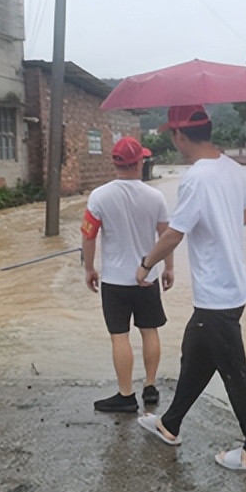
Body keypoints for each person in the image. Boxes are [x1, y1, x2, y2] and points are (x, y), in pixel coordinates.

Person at [135, 105, 246, 472]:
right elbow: (244, 216)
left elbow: (174, 234)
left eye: (172, 135)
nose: (173, 141)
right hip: (234, 286)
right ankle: (170, 424)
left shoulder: (196, 178)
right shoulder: (233, 168)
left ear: (180, 136)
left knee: (233, 374)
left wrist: (146, 265)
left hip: (217, 292)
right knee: (195, 355)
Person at [82, 136, 174, 413]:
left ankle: (125, 395)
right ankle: (150, 386)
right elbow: (166, 235)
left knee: (119, 336)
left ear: (115, 163)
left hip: (114, 281)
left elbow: (88, 235)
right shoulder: (156, 196)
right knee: (149, 331)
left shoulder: (99, 196)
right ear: (139, 163)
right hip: (146, 278)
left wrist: (89, 268)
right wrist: (168, 268)